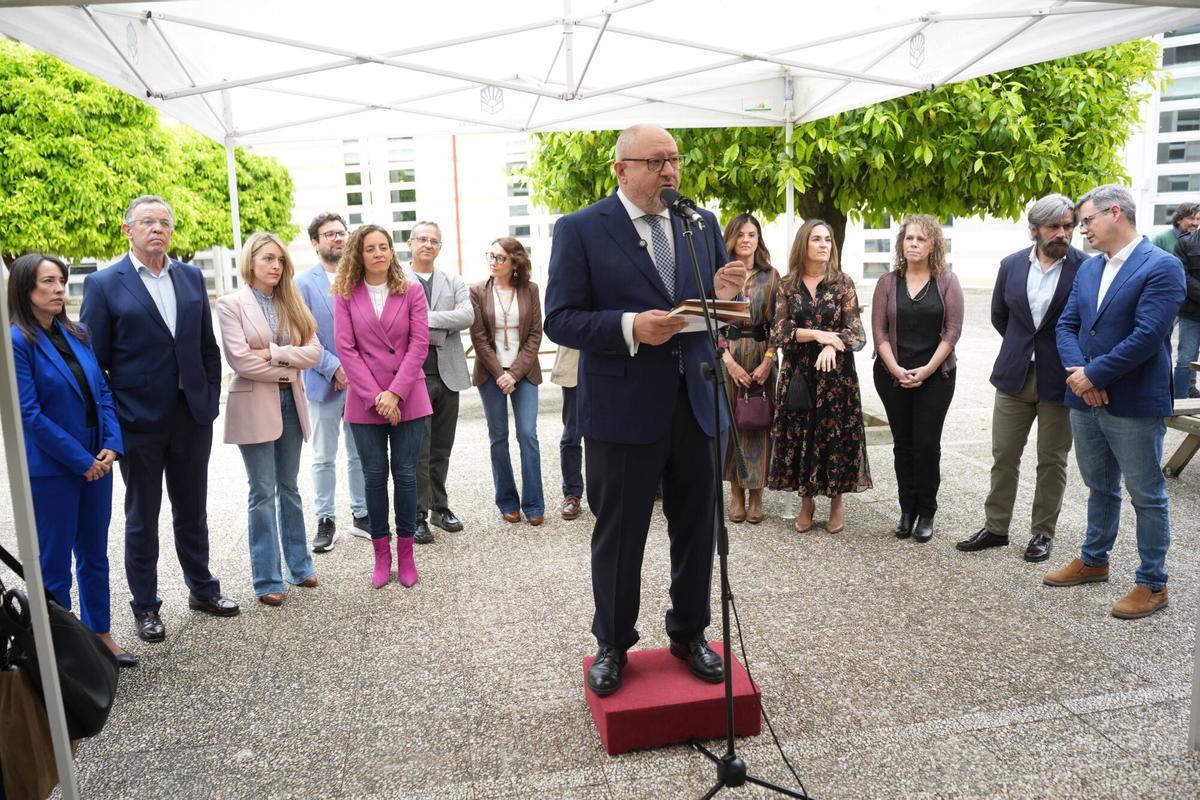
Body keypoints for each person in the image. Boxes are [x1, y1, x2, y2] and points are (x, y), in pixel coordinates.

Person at [544, 123, 748, 697]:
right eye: (656, 161)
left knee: (696, 530)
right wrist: (633, 326)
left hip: (697, 403)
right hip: (623, 409)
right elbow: (559, 319)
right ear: (621, 169)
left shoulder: (698, 222)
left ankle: (690, 633)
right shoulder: (580, 229)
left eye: (675, 159)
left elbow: (703, 310)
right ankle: (612, 642)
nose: (669, 170)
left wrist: (724, 293)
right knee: (620, 534)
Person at [81, 195, 238, 643]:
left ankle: (202, 590)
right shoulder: (104, 283)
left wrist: (208, 393)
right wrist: (114, 418)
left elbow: (206, 346)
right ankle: (146, 606)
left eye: (164, 223)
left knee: (193, 508)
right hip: (138, 421)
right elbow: (96, 364)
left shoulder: (189, 276)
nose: (157, 229)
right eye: (147, 222)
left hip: (191, 415)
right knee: (142, 516)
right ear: (127, 230)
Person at [1047, 184, 1185, 619]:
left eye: (1086, 220)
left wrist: (1095, 373)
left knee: (1147, 494)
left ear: (1114, 213)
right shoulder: (1089, 269)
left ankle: (1152, 583)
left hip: (1134, 401)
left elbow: (1148, 336)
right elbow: (1067, 325)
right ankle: (1094, 559)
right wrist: (1081, 376)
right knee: (1099, 486)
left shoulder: (1162, 266)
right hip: (1086, 398)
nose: (1081, 229)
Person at [8, 254, 135, 668]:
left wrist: (112, 445)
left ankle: (101, 637)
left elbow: (102, 392)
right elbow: (29, 415)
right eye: (48, 281)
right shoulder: (16, 341)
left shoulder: (78, 333)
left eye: (61, 280)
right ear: (26, 289)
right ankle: (61, 655)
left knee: (95, 555)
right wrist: (81, 459)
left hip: (97, 463)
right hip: (53, 470)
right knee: (54, 564)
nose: (59, 288)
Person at [957, 195, 1084, 563]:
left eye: (1068, 226)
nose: (1062, 233)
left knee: (1052, 459)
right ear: (1035, 229)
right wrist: (1020, 347)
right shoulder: (1011, 265)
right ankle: (996, 529)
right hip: (1014, 376)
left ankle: (1042, 533)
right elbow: (1001, 316)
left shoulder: (1086, 268)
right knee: (1004, 456)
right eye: (1054, 227)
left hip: (1060, 378)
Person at [218, 233, 323, 606]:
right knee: (261, 491)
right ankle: (267, 580)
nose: (275, 265)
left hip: (292, 404)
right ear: (251, 262)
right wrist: (287, 366)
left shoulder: (291, 301)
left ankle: (300, 566)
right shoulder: (231, 304)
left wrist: (274, 353)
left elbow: (314, 353)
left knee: (289, 487)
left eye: (279, 259)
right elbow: (240, 360)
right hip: (253, 406)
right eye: (267, 259)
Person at [332, 225, 432, 589]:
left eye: (384, 247)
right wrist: (377, 395)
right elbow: (346, 348)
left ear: (392, 251)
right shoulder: (344, 293)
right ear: (358, 254)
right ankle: (381, 555)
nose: (378, 253)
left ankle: (406, 554)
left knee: (405, 476)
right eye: (370, 248)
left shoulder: (411, 290)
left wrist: (395, 393)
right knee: (374, 477)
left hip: (408, 397)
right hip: (365, 399)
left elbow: (419, 345)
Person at [767, 219, 871, 533]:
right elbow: (780, 331)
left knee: (835, 437)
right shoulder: (787, 285)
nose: (824, 244)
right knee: (801, 435)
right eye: (817, 239)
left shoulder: (843, 283)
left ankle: (837, 500)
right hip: (798, 375)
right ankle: (807, 501)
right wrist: (818, 336)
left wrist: (833, 345)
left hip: (836, 379)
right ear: (804, 244)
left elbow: (857, 334)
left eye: (828, 239)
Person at [871, 214, 964, 544]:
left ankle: (926, 511)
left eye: (921, 239)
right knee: (903, 445)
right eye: (909, 238)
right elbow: (879, 332)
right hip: (891, 374)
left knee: (926, 445)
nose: (913, 244)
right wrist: (895, 368)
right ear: (901, 243)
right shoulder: (887, 282)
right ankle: (906, 510)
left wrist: (926, 370)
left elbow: (952, 332)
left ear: (933, 245)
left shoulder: (947, 282)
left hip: (936, 377)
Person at [296, 212, 370, 552]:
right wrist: (335, 368)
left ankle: (362, 514)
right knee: (323, 456)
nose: (337, 239)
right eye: (329, 234)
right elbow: (302, 334)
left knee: (359, 454)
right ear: (315, 242)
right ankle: (326, 519)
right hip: (323, 382)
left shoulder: (360, 278)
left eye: (342, 233)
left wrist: (353, 372)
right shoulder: (303, 284)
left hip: (359, 384)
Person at [404, 222, 473, 544]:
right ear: (410, 243)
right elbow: (396, 323)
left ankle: (440, 508)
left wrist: (421, 319)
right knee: (419, 450)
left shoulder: (453, 280)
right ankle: (417, 515)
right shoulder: (398, 281)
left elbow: (468, 317)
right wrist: (447, 319)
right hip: (413, 377)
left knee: (442, 448)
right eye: (422, 239)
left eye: (434, 240)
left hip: (448, 375)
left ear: (440, 247)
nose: (428, 245)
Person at [469, 237, 545, 525]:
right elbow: (478, 337)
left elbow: (536, 334)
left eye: (500, 258)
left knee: (528, 434)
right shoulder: (477, 290)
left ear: (515, 262)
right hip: (491, 373)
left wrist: (513, 374)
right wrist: (500, 374)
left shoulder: (530, 290)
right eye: (490, 256)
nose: (493, 262)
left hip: (524, 372)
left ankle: (535, 504)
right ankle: (507, 501)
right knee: (498, 438)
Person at [719, 214, 780, 524]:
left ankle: (757, 494)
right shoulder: (720, 276)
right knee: (731, 424)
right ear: (730, 238)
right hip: (727, 356)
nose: (746, 239)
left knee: (757, 423)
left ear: (759, 239)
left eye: (752, 234)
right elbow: (709, 320)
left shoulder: (771, 276)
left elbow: (778, 324)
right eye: (740, 234)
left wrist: (768, 361)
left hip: (760, 354)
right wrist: (727, 362)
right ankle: (736, 495)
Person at [550, 345, 584, 520]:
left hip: (612, 366)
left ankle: (612, 493)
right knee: (572, 434)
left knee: (611, 436)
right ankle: (572, 495)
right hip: (574, 366)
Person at [1171, 224, 1200, 399]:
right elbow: (1182, 276)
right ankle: (1178, 400)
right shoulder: (1186, 242)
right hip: (1191, 313)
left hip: (1190, 309)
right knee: (1185, 359)